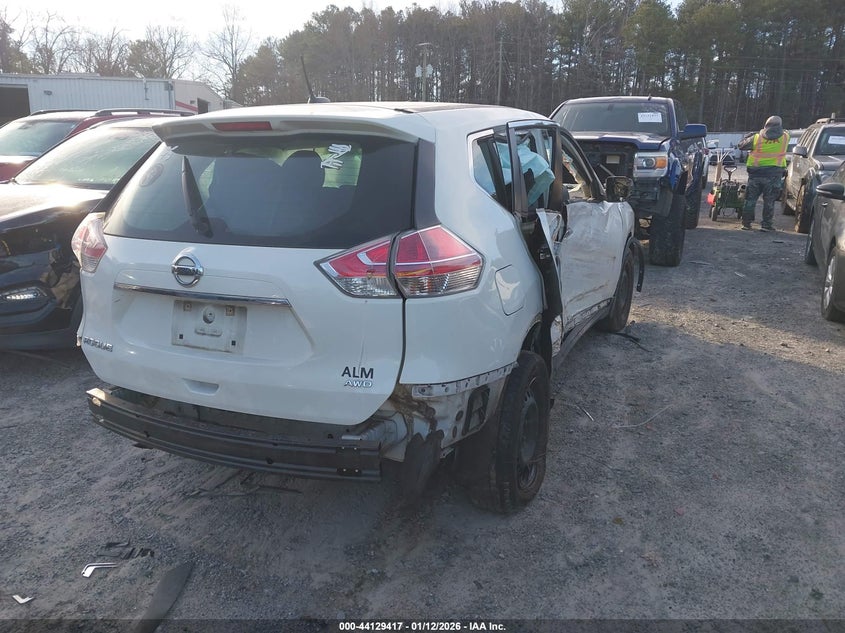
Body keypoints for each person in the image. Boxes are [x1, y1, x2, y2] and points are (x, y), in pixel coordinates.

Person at [737, 116, 790, 231]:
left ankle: (746, 223)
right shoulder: (786, 137)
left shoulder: (756, 138)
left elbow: (741, 145)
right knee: (769, 200)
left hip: (756, 174)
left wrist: (748, 135)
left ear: (766, 125)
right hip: (774, 175)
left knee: (750, 199)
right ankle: (766, 225)